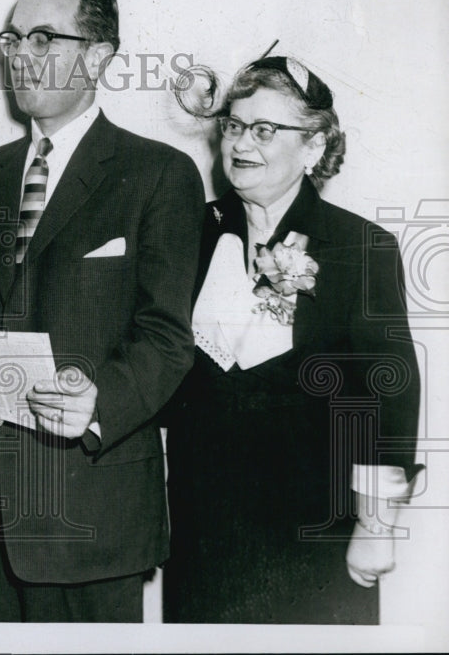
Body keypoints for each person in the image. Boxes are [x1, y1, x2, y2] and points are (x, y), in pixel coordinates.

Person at [0, 0, 205, 622]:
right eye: (13, 39)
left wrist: (99, 402)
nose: (20, 57)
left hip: (92, 521)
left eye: (43, 39)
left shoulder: (160, 174)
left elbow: (167, 337)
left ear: (98, 55)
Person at [162, 56, 423, 624]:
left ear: (313, 145)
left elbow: (388, 397)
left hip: (316, 540)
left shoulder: (360, 247)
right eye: (234, 125)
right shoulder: (187, 231)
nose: (240, 143)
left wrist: (376, 527)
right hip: (202, 534)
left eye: (264, 130)